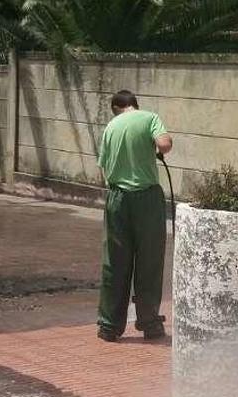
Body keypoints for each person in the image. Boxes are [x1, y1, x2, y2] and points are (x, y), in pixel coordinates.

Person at [96, 90, 173, 342]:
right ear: (134, 105)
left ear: (116, 108)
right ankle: (149, 323)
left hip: (117, 199)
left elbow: (103, 168)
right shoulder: (149, 118)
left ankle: (109, 327)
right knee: (149, 260)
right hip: (146, 198)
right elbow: (164, 144)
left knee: (115, 262)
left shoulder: (110, 127)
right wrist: (153, 148)